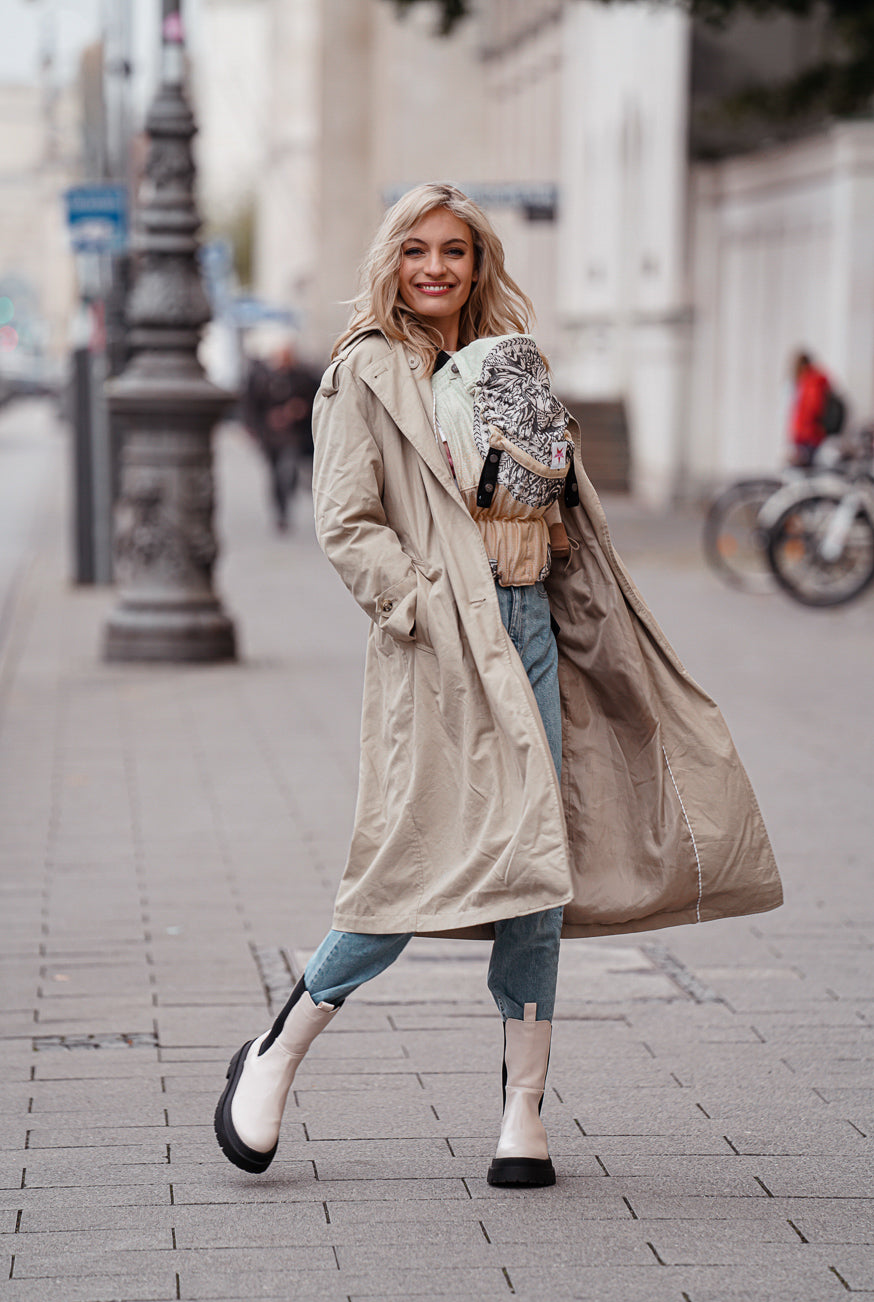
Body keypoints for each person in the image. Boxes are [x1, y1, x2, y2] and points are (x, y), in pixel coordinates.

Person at [215, 183, 782, 1188]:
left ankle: (523, 1107)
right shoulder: (363, 373)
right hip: (437, 646)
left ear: (479, 266)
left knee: (536, 876)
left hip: (532, 628)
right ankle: (279, 1048)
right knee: (406, 862)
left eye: (457, 252)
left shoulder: (510, 362)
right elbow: (348, 524)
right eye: (417, 250)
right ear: (390, 261)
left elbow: (556, 505)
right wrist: (425, 604)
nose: (435, 268)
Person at [243, 339, 319, 530]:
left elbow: (316, 400)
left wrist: (299, 410)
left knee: (289, 468)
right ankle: (280, 510)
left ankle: (289, 494)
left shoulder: (303, 377)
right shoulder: (262, 378)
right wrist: (254, 427)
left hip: (293, 436)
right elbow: (251, 405)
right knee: (274, 473)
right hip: (269, 436)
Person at [789, 350, 832, 468]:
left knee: (807, 470)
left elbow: (812, 409)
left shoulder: (811, 382)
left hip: (808, 435)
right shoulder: (813, 380)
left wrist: (800, 434)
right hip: (811, 434)